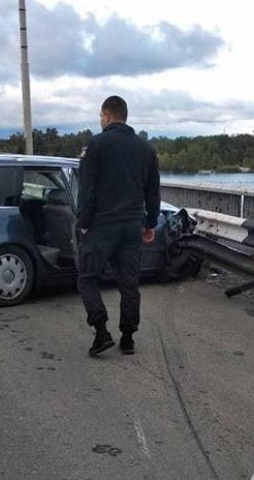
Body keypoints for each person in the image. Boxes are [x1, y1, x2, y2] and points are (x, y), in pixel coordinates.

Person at [77, 96, 160, 356]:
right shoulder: (146, 149)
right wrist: (150, 223)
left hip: (104, 224)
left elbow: (87, 188)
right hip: (132, 224)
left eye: (101, 116)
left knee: (87, 278)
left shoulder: (96, 145)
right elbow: (153, 191)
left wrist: (84, 221)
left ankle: (101, 332)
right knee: (129, 283)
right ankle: (128, 338)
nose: (100, 120)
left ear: (107, 115)